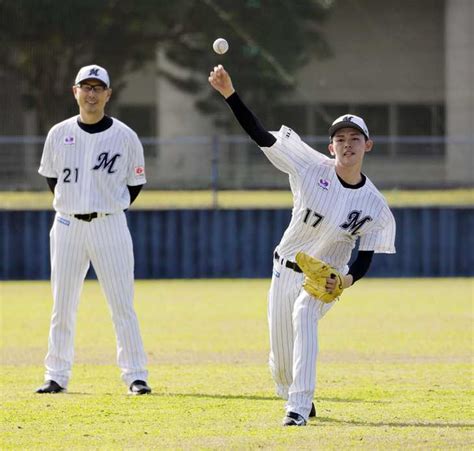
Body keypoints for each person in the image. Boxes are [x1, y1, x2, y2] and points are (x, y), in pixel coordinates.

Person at [208, 65, 396, 426]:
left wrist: (343, 282)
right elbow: (261, 136)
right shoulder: (311, 166)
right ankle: (291, 388)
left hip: (324, 279)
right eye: (340, 138)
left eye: (355, 138)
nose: (347, 144)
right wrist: (231, 95)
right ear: (331, 146)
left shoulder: (375, 205)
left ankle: (297, 408)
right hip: (285, 269)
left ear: (368, 145)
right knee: (281, 365)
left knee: (303, 316)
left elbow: (366, 256)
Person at [36, 64, 151, 395]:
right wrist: (74, 205)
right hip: (68, 224)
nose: (91, 93)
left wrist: (108, 206)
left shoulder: (125, 136)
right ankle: (56, 375)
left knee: (121, 304)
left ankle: (136, 375)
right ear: (75, 92)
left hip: (109, 224)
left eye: (97, 87)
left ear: (108, 94)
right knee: (63, 304)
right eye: (85, 87)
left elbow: (135, 184)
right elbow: (51, 178)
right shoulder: (58, 133)